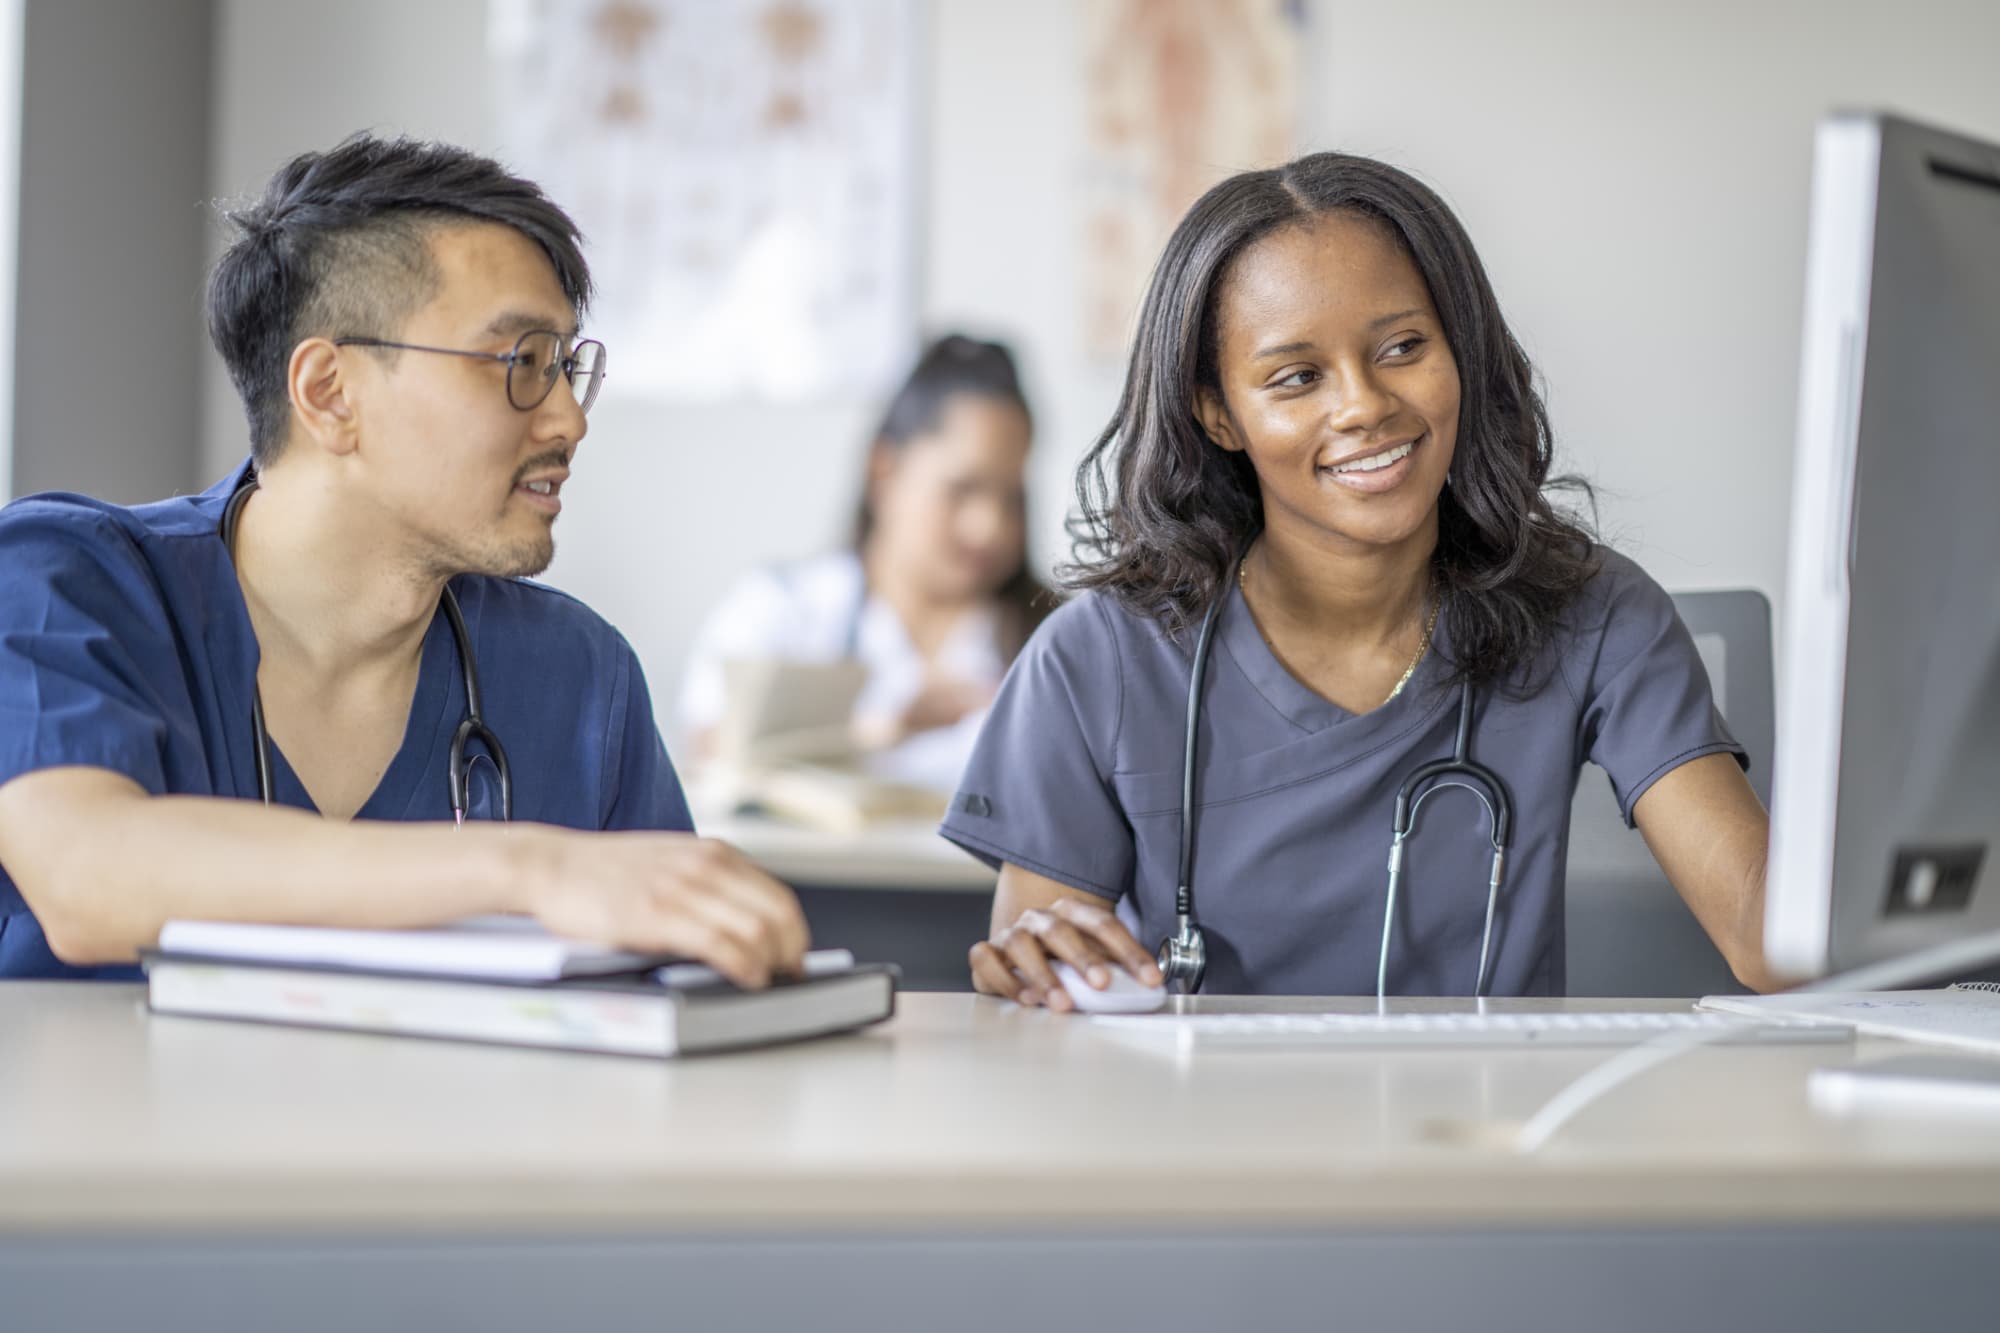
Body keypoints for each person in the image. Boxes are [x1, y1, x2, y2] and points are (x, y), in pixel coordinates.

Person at [944, 152, 1780, 1006]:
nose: (1364, 404)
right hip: (1195, 1133)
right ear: (1219, 412)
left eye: (1403, 346)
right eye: (1296, 377)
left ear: (1462, 349)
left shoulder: (1594, 616)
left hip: (1486, 1131)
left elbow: (1768, 942)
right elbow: (1044, 1001)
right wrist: (1036, 964)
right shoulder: (1098, 660)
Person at [0, 134, 807, 984]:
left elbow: (675, 981)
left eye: (568, 366)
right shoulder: (65, 584)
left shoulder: (577, 674)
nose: (569, 419)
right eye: (522, 363)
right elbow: (87, 877)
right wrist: (528, 869)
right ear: (329, 393)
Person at [677, 334, 1050, 791]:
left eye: (1010, 496)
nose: (989, 527)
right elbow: (711, 755)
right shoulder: (781, 609)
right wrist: (884, 730)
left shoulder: (1050, 640)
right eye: (962, 489)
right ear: (884, 472)